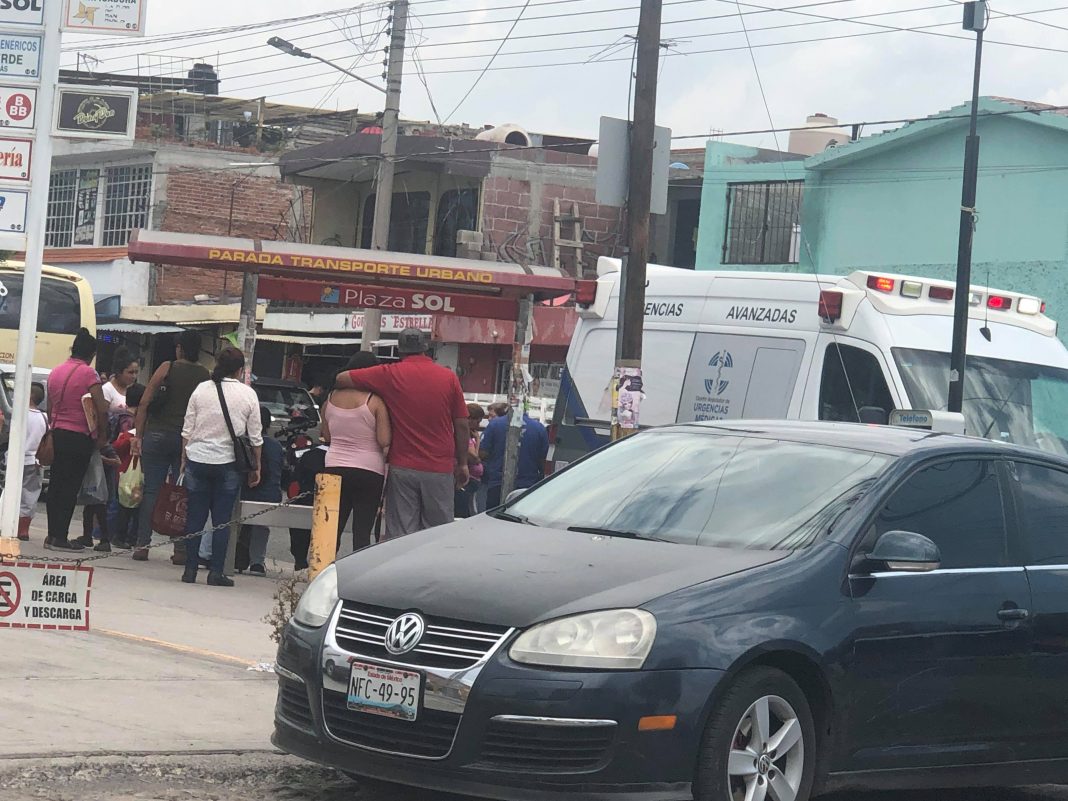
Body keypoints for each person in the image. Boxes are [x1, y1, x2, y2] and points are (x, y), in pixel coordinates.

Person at [334, 328, 469, 539]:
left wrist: (374, 390)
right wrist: (463, 463)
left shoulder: (388, 374)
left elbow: (341, 378)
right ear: (426, 348)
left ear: (399, 349)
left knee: (401, 535)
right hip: (439, 468)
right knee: (438, 534)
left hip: (403, 466)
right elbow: (461, 424)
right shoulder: (449, 377)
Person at [180, 346, 263, 587]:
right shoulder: (248, 395)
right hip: (228, 464)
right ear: (240, 370)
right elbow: (255, 437)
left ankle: (190, 569)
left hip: (197, 459)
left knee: (194, 518)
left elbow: (187, 430)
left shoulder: (201, 390)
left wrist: (184, 458)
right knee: (222, 521)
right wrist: (256, 467)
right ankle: (216, 572)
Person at [132, 330, 209, 562]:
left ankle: (142, 545)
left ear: (179, 348)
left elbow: (145, 402)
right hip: (186, 440)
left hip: (157, 434)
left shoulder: (167, 367)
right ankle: (180, 549)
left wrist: (138, 435)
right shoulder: (204, 375)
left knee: (151, 490)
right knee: (181, 493)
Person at [45, 328, 110, 552]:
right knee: (70, 487)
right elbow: (101, 408)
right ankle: (61, 537)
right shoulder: (89, 374)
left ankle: (52, 535)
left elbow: (50, 407)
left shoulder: (56, 371)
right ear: (91, 354)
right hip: (79, 437)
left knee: (55, 485)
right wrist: (102, 435)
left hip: (58, 433)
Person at [321, 351, 390, 553]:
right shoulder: (375, 401)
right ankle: (358, 569)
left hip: (333, 467)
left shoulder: (330, 399)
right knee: (362, 531)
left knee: (330, 528)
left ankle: (324, 567)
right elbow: (384, 440)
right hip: (369, 471)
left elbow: (327, 435)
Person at [237, 404, 285, 576]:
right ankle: (257, 562)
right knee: (261, 526)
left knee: (233, 523)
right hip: (268, 496)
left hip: (243, 494)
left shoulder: (242, 443)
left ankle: (230, 557)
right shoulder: (276, 446)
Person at [479, 408, 549, 509]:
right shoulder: (539, 427)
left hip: (498, 482)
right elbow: (543, 459)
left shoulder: (495, 424)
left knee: (495, 515)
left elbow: (483, 453)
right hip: (527, 485)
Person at [10, 382, 47, 541]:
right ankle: (23, 529)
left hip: (15, 459)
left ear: (30, 395)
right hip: (35, 461)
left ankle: (8, 523)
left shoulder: (19, 415)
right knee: (30, 494)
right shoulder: (44, 418)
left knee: (10, 491)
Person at [111, 383, 145, 549]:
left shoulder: (118, 415)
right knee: (127, 507)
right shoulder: (132, 429)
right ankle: (122, 536)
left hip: (125, 472)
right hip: (129, 473)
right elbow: (118, 445)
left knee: (128, 506)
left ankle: (127, 536)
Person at [455, 403, 485, 518]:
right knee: (466, 512)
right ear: (470, 419)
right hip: (466, 480)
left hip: (472, 480)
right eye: (477, 422)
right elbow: (474, 458)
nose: (478, 425)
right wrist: (477, 440)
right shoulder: (464, 437)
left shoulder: (468, 436)